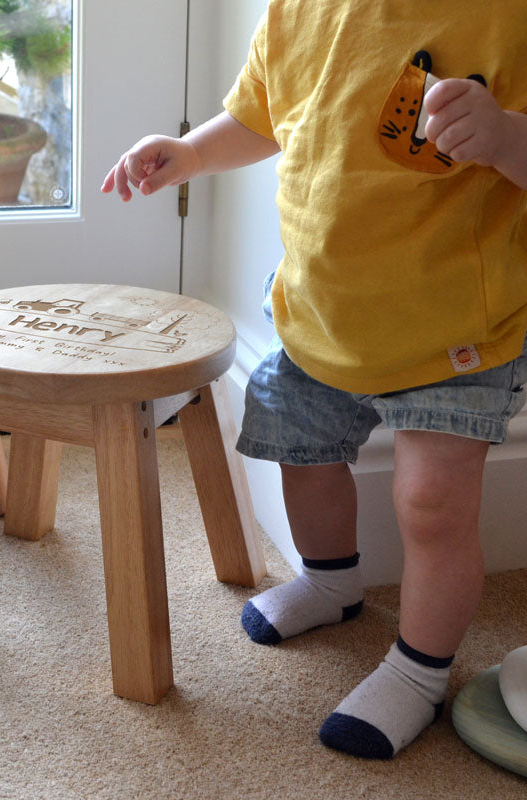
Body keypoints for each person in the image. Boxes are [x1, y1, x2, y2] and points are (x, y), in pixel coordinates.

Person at [101, 0, 527, 760]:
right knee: (301, 446)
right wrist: (191, 153)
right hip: (320, 310)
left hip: (455, 329)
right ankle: (331, 583)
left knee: (432, 505)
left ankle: (421, 671)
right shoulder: (301, 9)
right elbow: (264, 113)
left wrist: (504, 138)